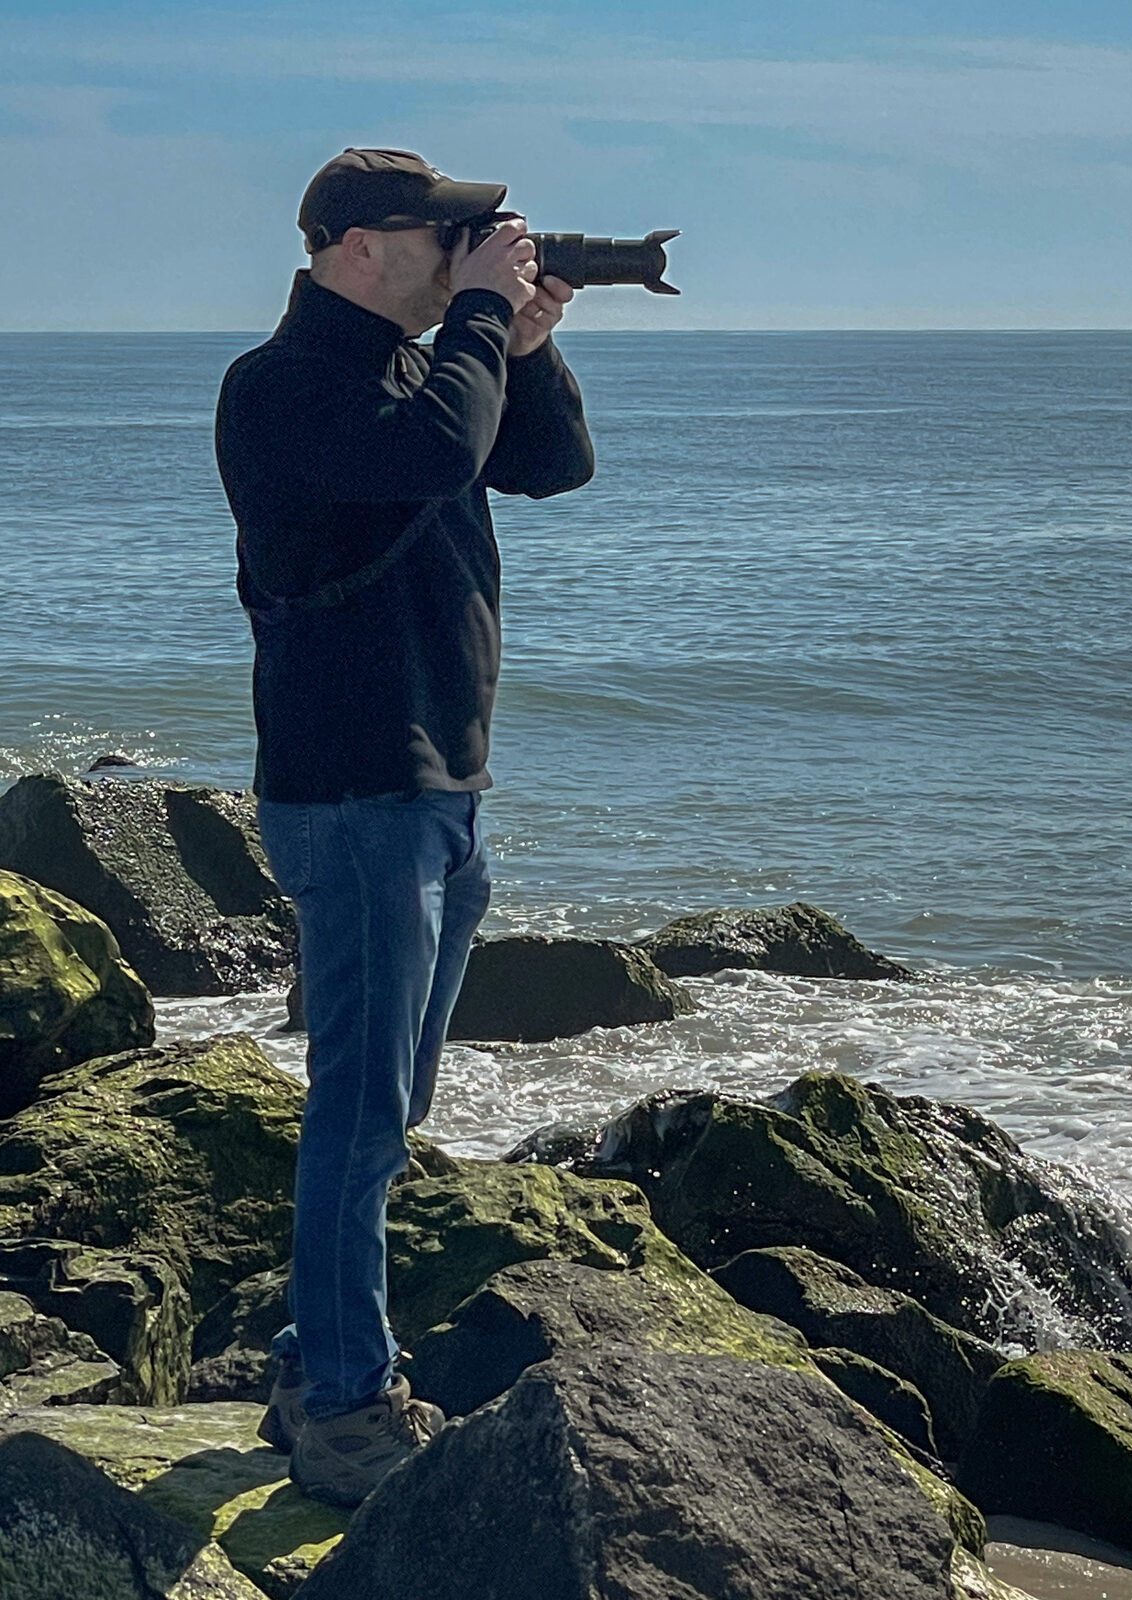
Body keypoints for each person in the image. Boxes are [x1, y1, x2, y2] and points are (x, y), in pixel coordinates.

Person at [214, 147, 594, 1506]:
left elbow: (550, 466)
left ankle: (315, 1363)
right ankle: (344, 1412)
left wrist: (527, 340)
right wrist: (484, 323)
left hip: (440, 788)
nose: (469, 256)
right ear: (363, 245)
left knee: (392, 1106)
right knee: (361, 1117)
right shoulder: (284, 387)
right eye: (452, 240)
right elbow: (435, 452)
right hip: (358, 791)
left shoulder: (414, 371)